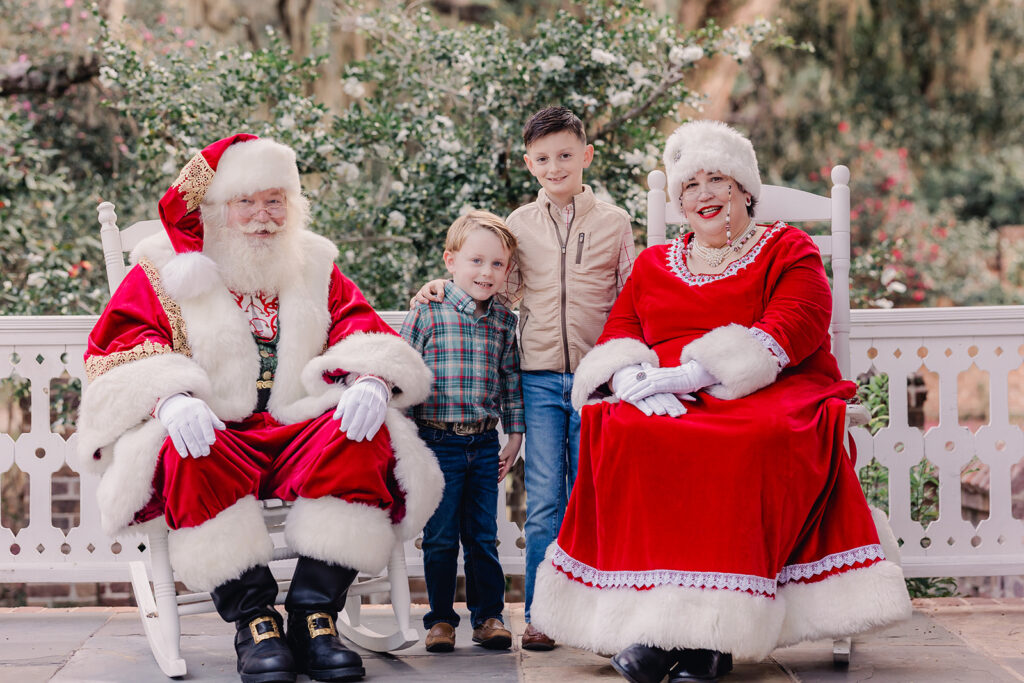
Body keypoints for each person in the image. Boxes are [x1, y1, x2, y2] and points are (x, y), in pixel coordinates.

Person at [530, 120, 912, 683]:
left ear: (744, 189)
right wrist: (631, 373)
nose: (704, 194)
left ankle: (715, 639)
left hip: (768, 387)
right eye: (691, 186)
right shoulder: (657, 262)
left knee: (747, 439)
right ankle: (656, 630)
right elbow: (622, 325)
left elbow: (801, 318)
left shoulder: (786, 246)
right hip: (664, 390)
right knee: (625, 429)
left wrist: (699, 371)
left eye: (718, 181)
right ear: (679, 201)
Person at [77, 134, 443, 683]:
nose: (262, 217)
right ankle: (254, 620)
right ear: (218, 212)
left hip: (298, 428)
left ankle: (314, 614)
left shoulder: (314, 265)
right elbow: (117, 350)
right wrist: (171, 396)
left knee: (368, 433)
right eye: (245, 202)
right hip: (218, 433)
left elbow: (360, 326)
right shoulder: (163, 270)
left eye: (275, 201)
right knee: (182, 446)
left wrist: (370, 376)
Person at [412, 107, 635, 649]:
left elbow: (633, 298)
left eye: (564, 155)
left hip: (595, 383)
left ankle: (597, 615)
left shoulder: (614, 222)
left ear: (585, 156)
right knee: (543, 505)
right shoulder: (517, 225)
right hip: (535, 380)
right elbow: (491, 290)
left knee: (593, 498)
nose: (554, 166)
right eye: (542, 158)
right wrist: (433, 288)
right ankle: (541, 614)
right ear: (529, 163)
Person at [400, 210, 525, 654]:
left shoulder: (505, 323)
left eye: (496, 264)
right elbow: (404, 375)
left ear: (507, 270)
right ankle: (439, 620)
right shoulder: (428, 313)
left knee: (482, 535)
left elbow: (511, 382)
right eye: (476, 261)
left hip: (484, 442)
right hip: (436, 442)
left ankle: (489, 616)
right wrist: (406, 439)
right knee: (438, 537)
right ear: (451, 261)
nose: (486, 273)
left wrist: (514, 435)